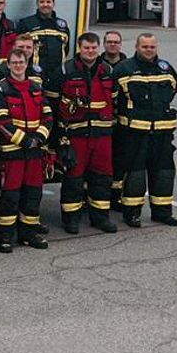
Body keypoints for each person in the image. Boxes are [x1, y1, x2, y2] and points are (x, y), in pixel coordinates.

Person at [46, 32, 117, 234]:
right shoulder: (64, 70)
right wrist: (59, 136)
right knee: (73, 178)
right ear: (79, 48)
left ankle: (100, 218)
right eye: (86, 47)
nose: (90, 51)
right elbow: (51, 103)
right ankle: (71, 219)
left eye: (94, 48)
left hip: (102, 136)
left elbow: (115, 100)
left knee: (102, 178)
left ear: (98, 48)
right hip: (75, 135)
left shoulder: (107, 70)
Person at [112, 33, 177, 227]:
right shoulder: (123, 69)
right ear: (136, 46)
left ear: (156, 47)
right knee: (135, 175)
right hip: (134, 134)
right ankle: (132, 214)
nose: (148, 50)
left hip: (163, 134)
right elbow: (113, 99)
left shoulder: (166, 69)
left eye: (152, 47)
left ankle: (162, 212)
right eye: (144, 46)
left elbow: (172, 92)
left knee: (164, 173)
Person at [0, 49, 53, 252]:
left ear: (27, 64)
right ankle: (5, 236)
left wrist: (40, 137)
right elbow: (1, 121)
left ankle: (28, 233)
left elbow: (48, 116)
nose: (18, 66)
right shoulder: (1, 90)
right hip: (12, 153)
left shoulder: (35, 88)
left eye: (21, 62)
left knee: (33, 194)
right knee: (10, 195)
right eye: (14, 62)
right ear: (8, 65)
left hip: (34, 152)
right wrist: (25, 140)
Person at [17, 0, 70, 74]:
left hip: (58, 74)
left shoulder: (62, 25)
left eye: (48, 2)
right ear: (37, 4)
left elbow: (66, 49)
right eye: (42, 2)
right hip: (33, 73)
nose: (45, 4)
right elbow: (19, 50)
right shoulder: (26, 23)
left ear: (53, 4)